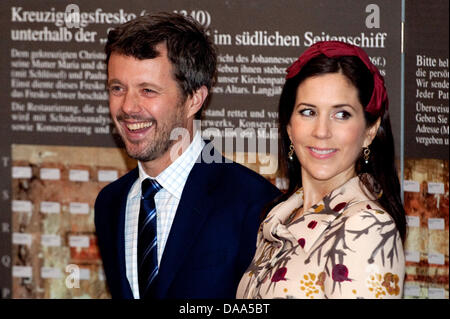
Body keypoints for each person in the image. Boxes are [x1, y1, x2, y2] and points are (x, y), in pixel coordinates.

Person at [94, 12, 281, 299]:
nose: (128, 107)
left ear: (194, 99)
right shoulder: (110, 204)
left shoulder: (253, 203)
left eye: (148, 90)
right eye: (117, 88)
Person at [237, 41, 406, 299]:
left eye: (341, 115)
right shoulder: (280, 216)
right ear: (289, 127)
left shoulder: (367, 226)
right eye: (308, 112)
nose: (322, 131)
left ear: (369, 131)